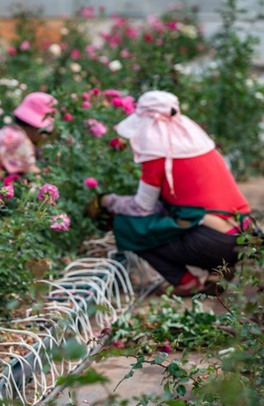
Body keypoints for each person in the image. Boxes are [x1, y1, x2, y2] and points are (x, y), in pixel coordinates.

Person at [93, 90, 252, 296]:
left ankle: (186, 280)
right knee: (170, 219)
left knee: (127, 225)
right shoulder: (200, 146)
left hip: (213, 242)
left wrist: (107, 201)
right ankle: (220, 268)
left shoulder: (157, 155)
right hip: (244, 236)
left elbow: (142, 208)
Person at [0, 91, 58, 177]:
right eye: (45, 132)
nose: (45, 137)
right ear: (35, 128)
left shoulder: (9, 132)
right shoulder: (19, 140)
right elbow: (31, 173)